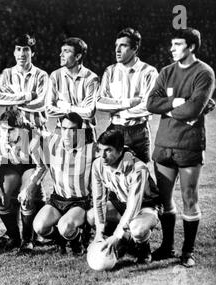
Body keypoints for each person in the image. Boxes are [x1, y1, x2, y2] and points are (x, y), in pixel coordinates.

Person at [147, 28, 215, 267]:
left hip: (189, 146)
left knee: (189, 198)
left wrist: (170, 108)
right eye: (172, 44)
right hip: (164, 145)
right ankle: (167, 247)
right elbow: (150, 103)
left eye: (177, 44)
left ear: (192, 47)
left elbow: (194, 110)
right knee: (165, 200)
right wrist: (177, 103)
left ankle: (188, 251)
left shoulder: (204, 73)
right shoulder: (166, 71)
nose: (172, 49)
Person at [88, 130, 160, 269]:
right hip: (121, 203)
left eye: (108, 150)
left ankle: (143, 249)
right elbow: (99, 200)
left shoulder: (138, 168)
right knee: (92, 216)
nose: (102, 155)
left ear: (120, 150)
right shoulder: (98, 164)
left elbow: (133, 206)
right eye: (100, 150)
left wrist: (116, 235)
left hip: (145, 206)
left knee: (137, 229)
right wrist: (99, 233)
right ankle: (124, 242)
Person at [31, 112, 95, 255]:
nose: (67, 133)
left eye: (72, 129)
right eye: (64, 128)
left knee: (65, 226)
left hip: (80, 202)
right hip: (57, 200)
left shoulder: (90, 149)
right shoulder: (52, 142)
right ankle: (62, 239)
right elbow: (33, 136)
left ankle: (77, 241)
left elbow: (113, 150)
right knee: (40, 227)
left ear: (80, 131)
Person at [0, 110, 45, 252]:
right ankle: (14, 236)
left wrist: (29, 189)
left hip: (30, 165)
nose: (6, 134)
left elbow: (42, 166)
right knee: (1, 199)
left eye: (11, 130)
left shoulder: (33, 136)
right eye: (3, 129)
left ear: (21, 128)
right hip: (9, 164)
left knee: (26, 198)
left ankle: (27, 239)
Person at [96, 28, 158, 163]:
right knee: (112, 173)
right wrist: (128, 103)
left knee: (140, 174)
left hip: (139, 131)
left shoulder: (149, 72)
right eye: (116, 46)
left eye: (123, 46)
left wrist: (123, 113)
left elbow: (149, 105)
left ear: (135, 49)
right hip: (115, 128)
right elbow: (99, 101)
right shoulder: (110, 71)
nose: (117, 50)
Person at [46, 37, 99, 136]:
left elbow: (89, 112)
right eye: (61, 51)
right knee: (56, 151)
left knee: (85, 152)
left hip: (84, 131)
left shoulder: (91, 78)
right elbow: (49, 109)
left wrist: (63, 105)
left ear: (78, 56)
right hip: (61, 129)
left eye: (66, 51)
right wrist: (78, 109)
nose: (61, 55)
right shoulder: (55, 75)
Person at [0, 34, 49, 132]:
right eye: (18, 49)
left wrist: (12, 99)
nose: (22, 54)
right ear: (14, 53)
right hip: (12, 131)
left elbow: (41, 103)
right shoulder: (6, 73)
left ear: (33, 53)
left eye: (26, 49)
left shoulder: (41, 75)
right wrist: (27, 97)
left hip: (36, 130)